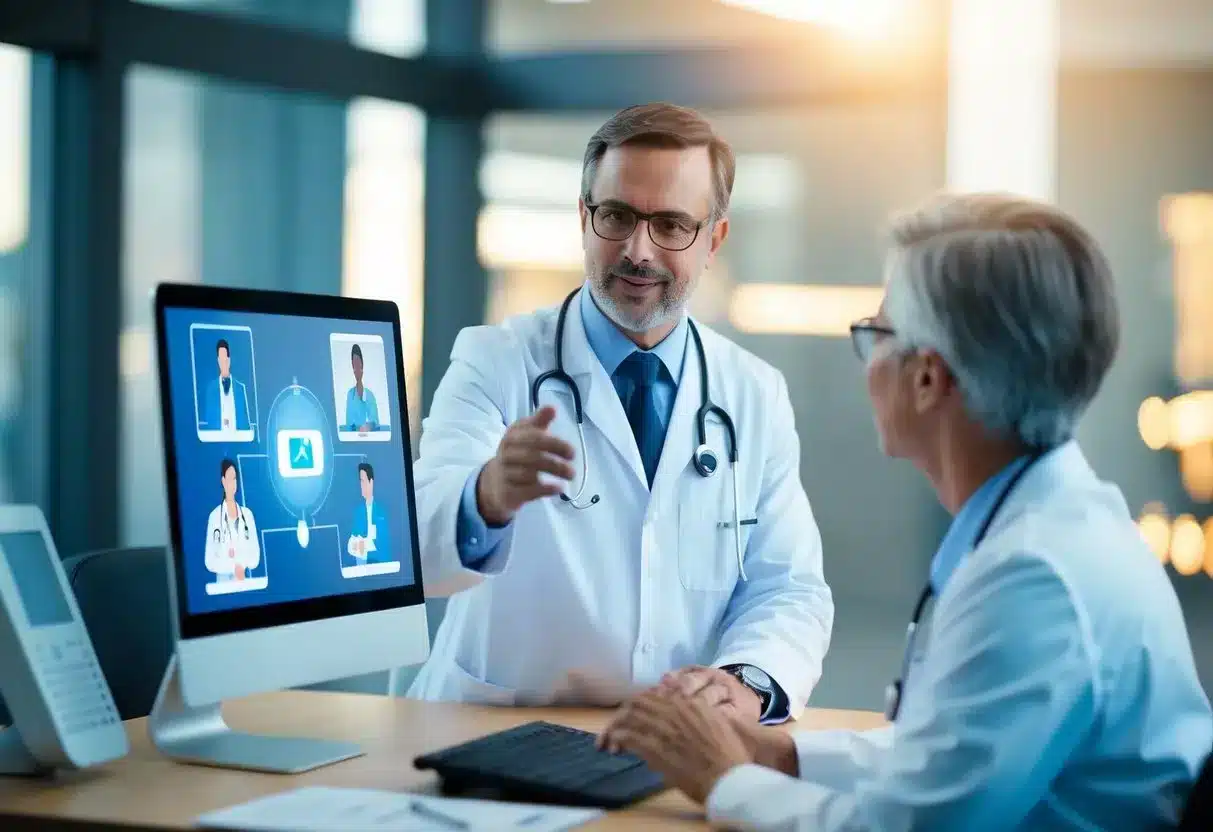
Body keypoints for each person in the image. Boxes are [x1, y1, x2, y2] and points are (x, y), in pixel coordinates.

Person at [598, 192, 1213, 829]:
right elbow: (956, 747)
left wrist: (726, 779)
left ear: (928, 379)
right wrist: (780, 753)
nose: (866, 364)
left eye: (877, 335)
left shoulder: (1035, 577)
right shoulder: (1061, 526)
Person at [408, 102, 833, 721]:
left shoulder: (753, 394)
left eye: (671, 225)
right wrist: (487, 495)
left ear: (714, 238)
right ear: (584, 218)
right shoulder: (495, 361)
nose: (638, 250)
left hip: (658, 742)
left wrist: (747, 681)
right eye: (617, 216)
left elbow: (787, 585)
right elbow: (413, 548)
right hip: (492, 726)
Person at [205, 458, 261, 585]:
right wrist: (232, 566)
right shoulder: (214, 517)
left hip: (245, 583)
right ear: (223, 481)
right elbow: (210, 561)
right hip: (223, 586)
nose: (233, 483)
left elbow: (255, 557)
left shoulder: (247, 515)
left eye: (235, 478)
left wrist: (241, 565)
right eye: (230, 478)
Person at [202, 338, 252, 437]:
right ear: (218, 361)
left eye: (225, 359)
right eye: (221, 359)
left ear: (229, 360)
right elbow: (210, 422)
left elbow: (245, 423)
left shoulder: (240, 389)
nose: (223, 362)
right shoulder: (211, 390)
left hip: (238, 444)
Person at [347, 462, 390, 564]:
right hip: (361, 565)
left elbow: (384, 545)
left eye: (363, 481)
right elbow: (351, 543)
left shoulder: (382, 511)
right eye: (360, 482)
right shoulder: (358, 512)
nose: (361, 485)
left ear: (371, 482)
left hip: (380, 565)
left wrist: (364, 547)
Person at [345, 344, 380, 433]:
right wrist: (358, 429)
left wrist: (368, 426)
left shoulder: (370, 395)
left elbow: (375, 421)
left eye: (359, 365)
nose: (357, 369)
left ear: (362, 366)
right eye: (354, 366)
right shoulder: (350, 394)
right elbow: (349, 424)